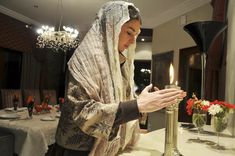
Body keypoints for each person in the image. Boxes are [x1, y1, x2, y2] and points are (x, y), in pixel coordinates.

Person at [54, 1, 186, 156]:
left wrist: (146, 103)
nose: (132, 42)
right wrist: (138, 106)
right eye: (129, 33)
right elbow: (82, 111)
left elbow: (120, 100)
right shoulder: (85, 58)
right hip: (77, 151)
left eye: (136, 35)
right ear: (111, 27)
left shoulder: (119, 61)